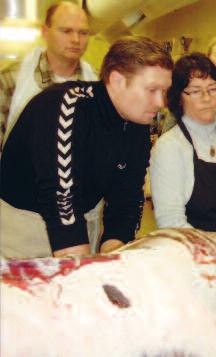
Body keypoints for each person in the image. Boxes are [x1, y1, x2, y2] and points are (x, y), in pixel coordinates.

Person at [0, 36, 173, 258]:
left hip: (83, 218)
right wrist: (80, 266)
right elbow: (60, 196)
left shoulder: (136, 120)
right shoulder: (64, 106)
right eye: (152, 90)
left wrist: (113, 250)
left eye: (165, 91)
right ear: (118, 81)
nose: (160, 103)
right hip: (25, 226)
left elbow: (128, 195)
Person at [150, 53, 216, 241]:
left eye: (212, 89)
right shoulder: (169, 147)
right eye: (196, 91)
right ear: (179, 97)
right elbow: (171, 221)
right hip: (191, 256)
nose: (207, 98)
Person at [1, 1, 96, 149]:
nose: (76, 40)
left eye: (83, 33)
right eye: (66, 31)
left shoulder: (98, 82)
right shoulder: (11, 78)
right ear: (45, 31)